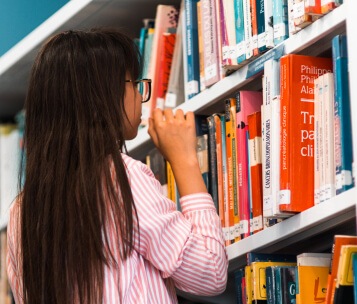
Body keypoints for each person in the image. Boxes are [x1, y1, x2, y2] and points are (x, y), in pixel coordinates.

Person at [7, 28, 228, 304]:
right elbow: (211, 273)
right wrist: (185, 161)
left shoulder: (21, 213)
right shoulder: (122, 178)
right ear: (101, 95)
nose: (139, 96)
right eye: (133, 83)